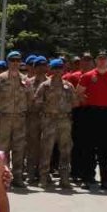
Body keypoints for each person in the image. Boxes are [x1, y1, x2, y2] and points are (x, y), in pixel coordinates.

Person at [79, 50, 107, 191]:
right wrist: (88, 103)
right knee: (89, 148)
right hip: (91, 113)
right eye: (99, 58)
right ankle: (88, 178)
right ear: (96, 60)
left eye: (104, 59)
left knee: (105, 149)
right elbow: (78, 92)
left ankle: (106, 180)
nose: (102, 61)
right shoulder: (88, 76)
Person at [0, 51, 30, 187]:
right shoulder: (0, 79)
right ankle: (3, 177)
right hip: (3, 118)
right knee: (2, 149)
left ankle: (18, 177)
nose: (15, 63)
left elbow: (30, 98)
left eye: (17, 60)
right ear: (8, 62)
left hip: (20, 119)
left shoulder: (25, 80)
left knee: (19, 148)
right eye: (12, 60)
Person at [35, 59, 77, 190]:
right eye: (55, 68)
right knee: (46, 150)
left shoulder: (68, 86)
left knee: (65, 150)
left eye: (60, 68)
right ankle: (43, 178)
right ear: (51, 70)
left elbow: (75, 102)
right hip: (49, 121)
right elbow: (37, 102)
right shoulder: (45, 86)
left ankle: (64, 179)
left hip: (64, 121)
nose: (58, 70)